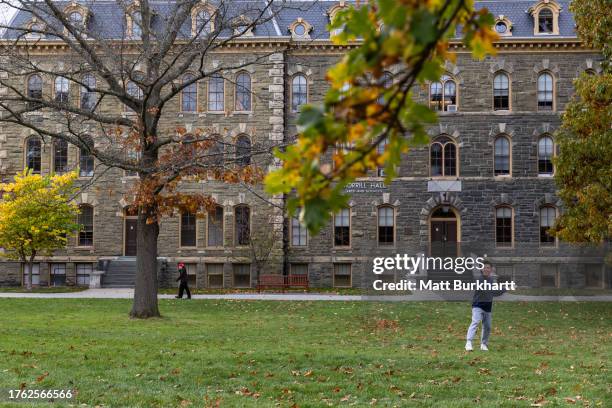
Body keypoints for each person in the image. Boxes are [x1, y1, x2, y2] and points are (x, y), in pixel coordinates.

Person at [465, 261, 506, 351]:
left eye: (488, 268)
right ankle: (468, 343)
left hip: (487, 305)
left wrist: (503, 289)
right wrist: (503, 289)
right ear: (481, 269)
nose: (486, 269)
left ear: (491, 269)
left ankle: (483, 344)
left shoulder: (491, 280)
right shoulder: (479, 280)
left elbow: (494, 292)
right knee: (475, 322)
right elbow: (490, 291)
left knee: (487, 326)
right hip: (478, 304)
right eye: (484, 267)